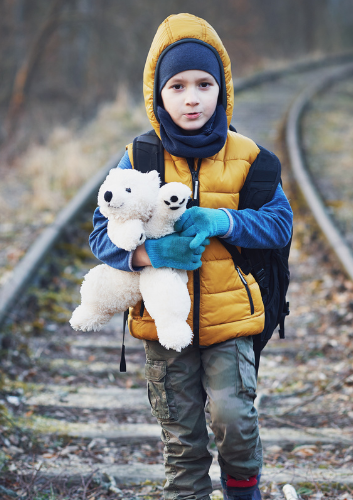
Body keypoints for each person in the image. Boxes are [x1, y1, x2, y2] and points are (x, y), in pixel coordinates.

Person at [87, 13, 293, 500]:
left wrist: (225, 221)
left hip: (232, 317)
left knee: (233, 418)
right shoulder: (139, 159)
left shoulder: (250, 158)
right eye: (176, 86)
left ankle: (245, 492)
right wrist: (152, 252)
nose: (192, 97)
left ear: (222, 88)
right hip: (163, 321)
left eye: (204, 84)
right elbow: (101, 236)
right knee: (182, 439)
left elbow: (281, 224)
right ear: (157, 95)